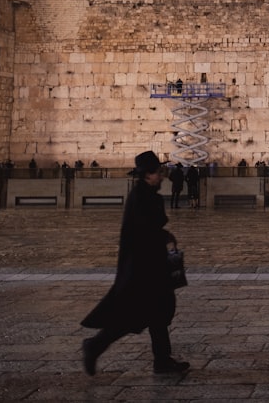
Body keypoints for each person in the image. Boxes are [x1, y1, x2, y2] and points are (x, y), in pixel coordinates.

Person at [81, 150, 189, 375]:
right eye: (158, 173)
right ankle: (95, 345)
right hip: (143, 269)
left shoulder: (144, 194)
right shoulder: (142, 196)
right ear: (148, 175)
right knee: (133, 316)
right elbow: (144, 231)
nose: (161, 176)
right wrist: (163, 236)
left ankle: (162, 360)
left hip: (148, 266)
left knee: (155, 314)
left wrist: (164, 236)